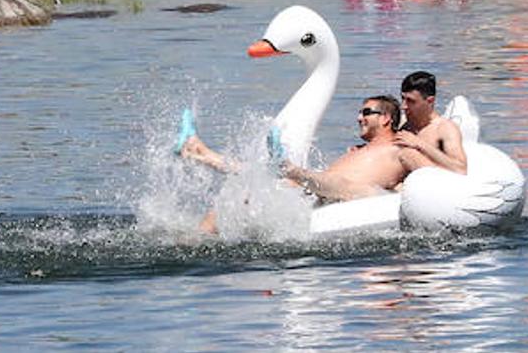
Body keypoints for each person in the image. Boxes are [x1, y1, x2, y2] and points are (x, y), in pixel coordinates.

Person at [179, 95, 410, 233]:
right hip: (317, 193)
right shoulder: (358, 150)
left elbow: (427, 173)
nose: (359, 117)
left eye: (366, 112)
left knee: (341, 183)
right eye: (360, 112)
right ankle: (198, 152)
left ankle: (287, 167)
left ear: (386, 118)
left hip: (355, 195)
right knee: (250, 183)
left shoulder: (400, 147)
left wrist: (400, 188)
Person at [395, 71, 467, 174]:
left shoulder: (444, 128)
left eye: (410, 101)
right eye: (402, 98)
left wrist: (420, 144)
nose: (403, 106)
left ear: (430, 101)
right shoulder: (402, 123)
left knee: (408, 154)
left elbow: (461, 169)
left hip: (428, 183)